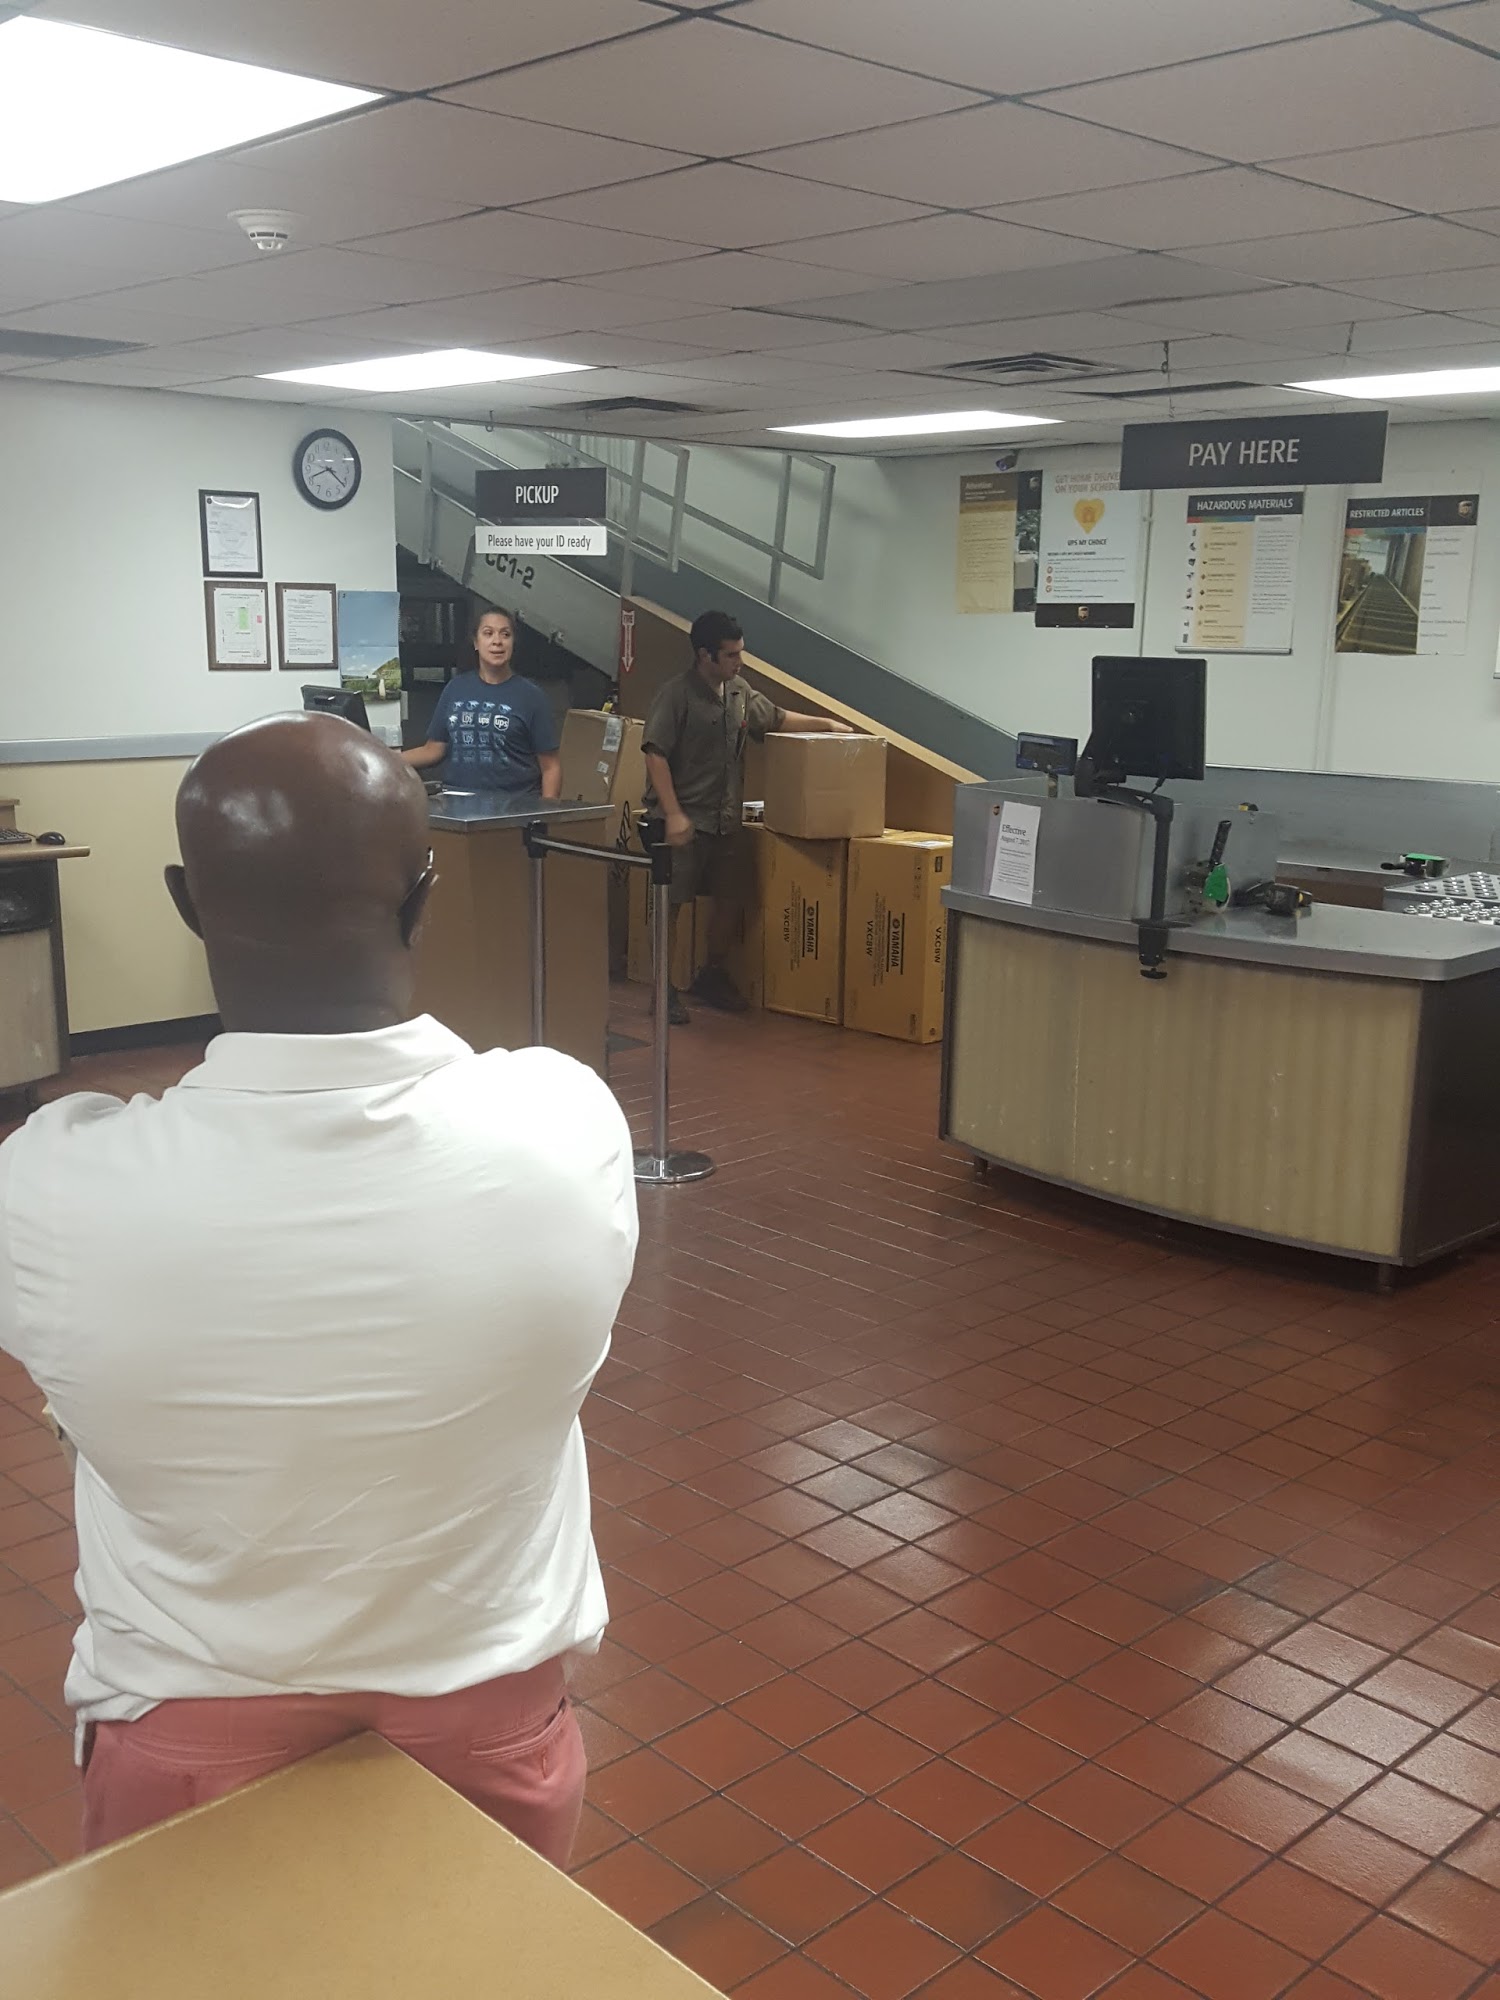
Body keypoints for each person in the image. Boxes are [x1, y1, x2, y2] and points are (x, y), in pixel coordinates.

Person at [0, 713, 637, 1861]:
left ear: (186, 904)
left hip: (187, 1732)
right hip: (491, 1721)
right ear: (423, 896)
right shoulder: (566, 1124)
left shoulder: (47, 1186)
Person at [643, 610, 852, 1024]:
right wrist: (673, 813)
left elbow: (774, 718)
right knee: (671, 904)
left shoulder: (739, 692)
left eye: (741, 653)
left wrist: (827, 724)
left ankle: (712, 973)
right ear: (705, 655)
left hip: (726, 820)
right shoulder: (676, 695)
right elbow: (654, 754)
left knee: (733, 897)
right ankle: (661, 988)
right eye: (731, 654)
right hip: (685, 819)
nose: (739, 662)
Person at [403, 605, 561, 797]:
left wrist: (547, 812)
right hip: (457, 803)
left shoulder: (532, 697)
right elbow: (433, 750)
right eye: (488, 633)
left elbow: (550, 767)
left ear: (513, 643)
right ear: (476, 642)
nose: (497, 641)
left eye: (505, 635)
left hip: (515, 806)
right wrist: (386, 759)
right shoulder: (456, 688)